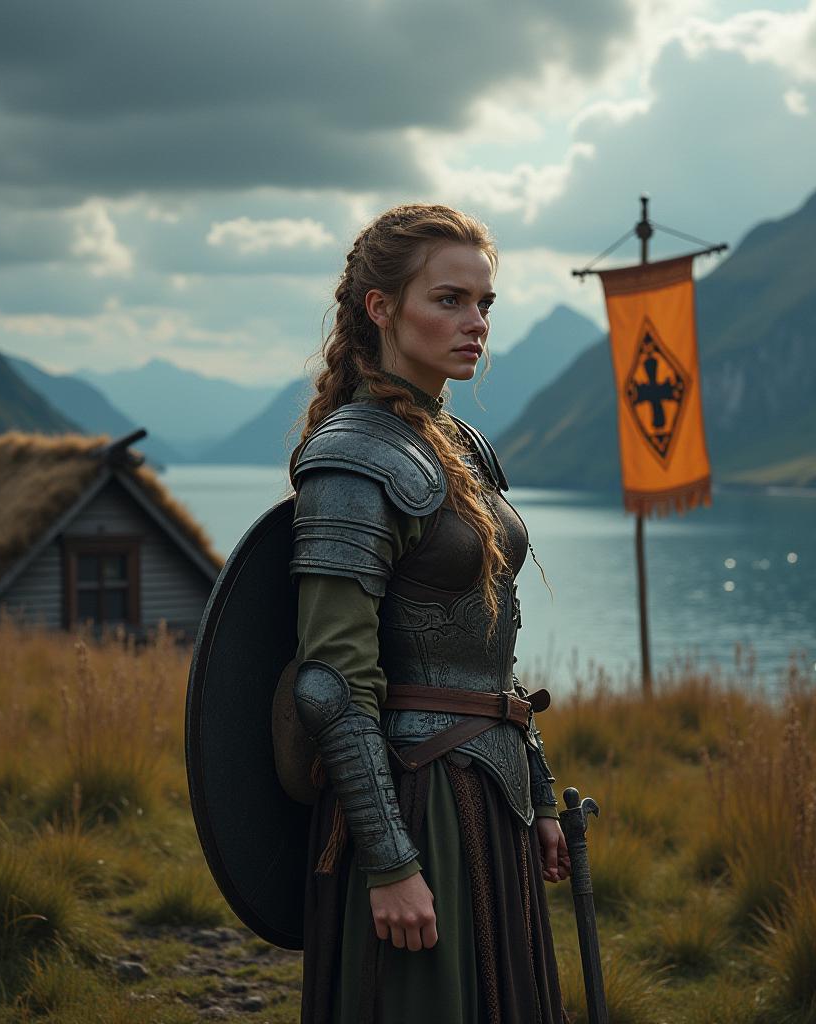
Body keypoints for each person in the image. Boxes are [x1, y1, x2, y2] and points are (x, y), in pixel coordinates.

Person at [289, 204, 570, 1023]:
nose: (475, 323)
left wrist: (540, 793)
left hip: (490, 794)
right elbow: (331, 683)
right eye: (449, 299)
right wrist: (388, 861)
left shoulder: (464, 448)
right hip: (416, 801)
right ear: (380, 307)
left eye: (484, 303)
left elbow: (493, 646)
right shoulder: (351, 456)